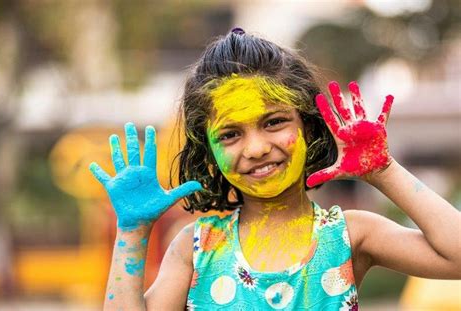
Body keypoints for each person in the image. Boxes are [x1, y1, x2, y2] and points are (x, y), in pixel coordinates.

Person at [89, 28, 461, 310]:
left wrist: (383, 171)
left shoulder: (351, 235)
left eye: (273, 122)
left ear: (308, 125)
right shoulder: (196, 247)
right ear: (209, 152)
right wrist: (133, 233)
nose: (255, 149)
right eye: (231, 134)